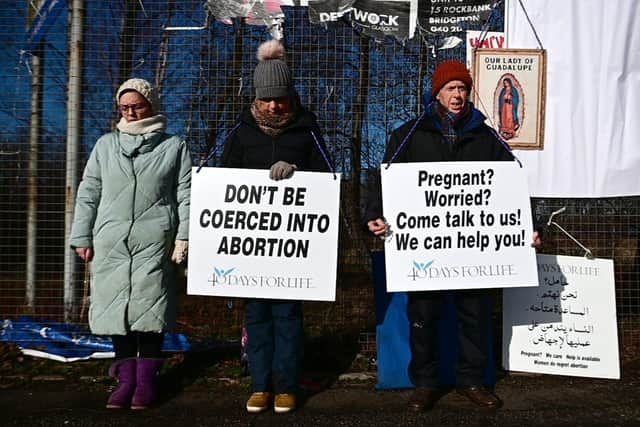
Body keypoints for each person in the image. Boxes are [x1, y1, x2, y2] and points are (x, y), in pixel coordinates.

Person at [364, 61, 541, 412]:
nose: (457, 95)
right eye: (451, 89)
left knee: (474, 312)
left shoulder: (487, 137)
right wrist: (374, 215)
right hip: (424, 248)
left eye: (462, 88)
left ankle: (472, 379)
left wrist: (530, 225)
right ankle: (425, 383)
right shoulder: (409, 135)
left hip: (473, 250)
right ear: (437, 93)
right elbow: (385, 179)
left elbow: (512, 188)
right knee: (424, 314)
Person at [219, 39, 333, 414]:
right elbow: (224, 181)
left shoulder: (307, 129)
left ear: (290, 95)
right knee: (257, 315)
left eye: (280, 98)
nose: (274, 105)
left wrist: (298, 174)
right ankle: (259, 385)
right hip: (252, 248)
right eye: (267, 99)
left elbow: (327, 178)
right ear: (257, 97)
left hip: (291, 248)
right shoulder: (241, 131)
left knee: (287, 315)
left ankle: (287, 385)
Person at [69, 78, 192, 410]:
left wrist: (184, 236)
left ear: (150, 105)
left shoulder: (173, 146)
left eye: (137, 105)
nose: (131, 112)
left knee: (150, 308)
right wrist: (81, 235)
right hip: (110, 240)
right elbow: (88, 193)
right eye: (125, 107)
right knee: (115, 309)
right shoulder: (105, 146)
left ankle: (146, 381)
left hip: (155, 240)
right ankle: (125, 380)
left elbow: (185, 194)